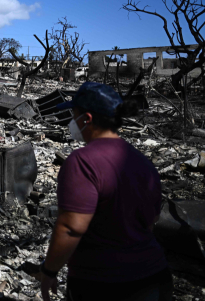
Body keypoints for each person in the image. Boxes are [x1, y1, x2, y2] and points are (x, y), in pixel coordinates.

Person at [40, 82, 171, 301]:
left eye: (74, 115)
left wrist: (49, 271)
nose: (72, 121)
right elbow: (152, 220)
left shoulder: (82, 162)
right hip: (155, 278)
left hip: (104, 284)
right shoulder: (142, 162)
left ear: (87, 119)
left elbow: (71, 228)